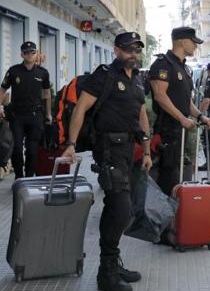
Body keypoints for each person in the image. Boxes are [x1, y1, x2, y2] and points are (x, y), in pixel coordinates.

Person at [61, 32, 153, 291]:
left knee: (119, 208)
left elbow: (141, 114)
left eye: (136, 49)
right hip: (108, 149)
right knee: (120, 208)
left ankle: (113, 263)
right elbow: (80, 108)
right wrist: (70, 144)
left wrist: (146, 150)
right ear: (116, 50)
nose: (133, 54)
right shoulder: (104, 75)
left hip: (128, 149)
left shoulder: (137, 79)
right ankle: (106, 274)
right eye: (128, 49)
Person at [149, 27, 210, 194]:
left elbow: (186, 102)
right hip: (165, 131)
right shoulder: (163, 64)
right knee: (167, 179)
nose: (195, 46)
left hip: (180, 132)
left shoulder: (184, 68)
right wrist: (182, 119)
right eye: (193, 42)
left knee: (179, 178)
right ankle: (164, 217)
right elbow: (160, 96)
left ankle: (177, 216)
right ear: (181, 41)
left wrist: (200, 117)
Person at [0, 41, 52, 179]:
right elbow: (2, 90)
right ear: (22, 54)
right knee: (17, 149)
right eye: (26, 52)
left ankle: (29, 177)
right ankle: (19, 177)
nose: (30, 55)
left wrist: (48, 114)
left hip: (35, 116)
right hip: (17, 116)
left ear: (36, 53)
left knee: (32, 150)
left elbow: (47, 94)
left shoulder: (43, 72)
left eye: (32, 52)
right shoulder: (13, 71)